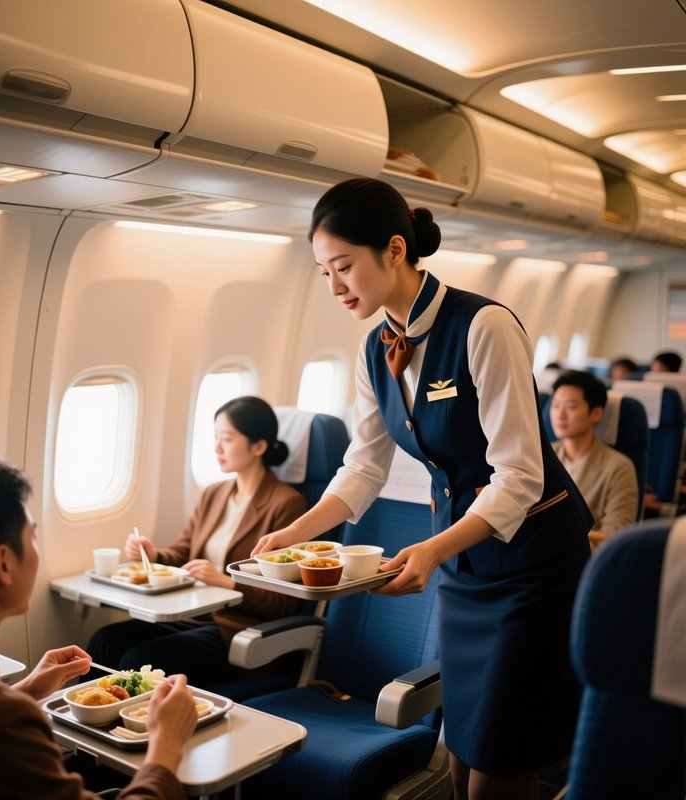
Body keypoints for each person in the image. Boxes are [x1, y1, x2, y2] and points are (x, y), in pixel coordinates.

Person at [252, 177, 593, 800]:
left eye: (344, 267)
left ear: (394, 249)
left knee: (500, 763)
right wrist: (294, 533)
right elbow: (364, 467)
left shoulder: (484, 326)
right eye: (323, 272)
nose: (334, 287)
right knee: (462, 756)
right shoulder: (373, 349)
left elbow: (520, 474)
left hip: (532, 569)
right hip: (464, 569)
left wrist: (433, 550)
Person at [0, 456, 196, 800]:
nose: (37, 550)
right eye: (32, 537)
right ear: (3, 563)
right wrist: (166, 747)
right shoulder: (2, 724)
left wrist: (26, 690)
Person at [87, 396, 307, 686]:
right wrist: (153, 554)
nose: (217, 447)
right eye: (216, 437)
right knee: (104, 641)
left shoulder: (287, 504)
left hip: (235, 627)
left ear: (259, 447)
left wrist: (227, 582)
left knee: (138, 659)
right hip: (194, 615)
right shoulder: (214, 494)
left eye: (227, 439)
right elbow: (184, 552)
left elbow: (283, 602)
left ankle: (129, 716)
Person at [550, 370, 638, 549]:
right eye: (556, 405)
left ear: (596, 413)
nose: (560, 415)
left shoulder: (619, 466)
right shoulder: (543, 456)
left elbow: (616, 536)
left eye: (570, 407)